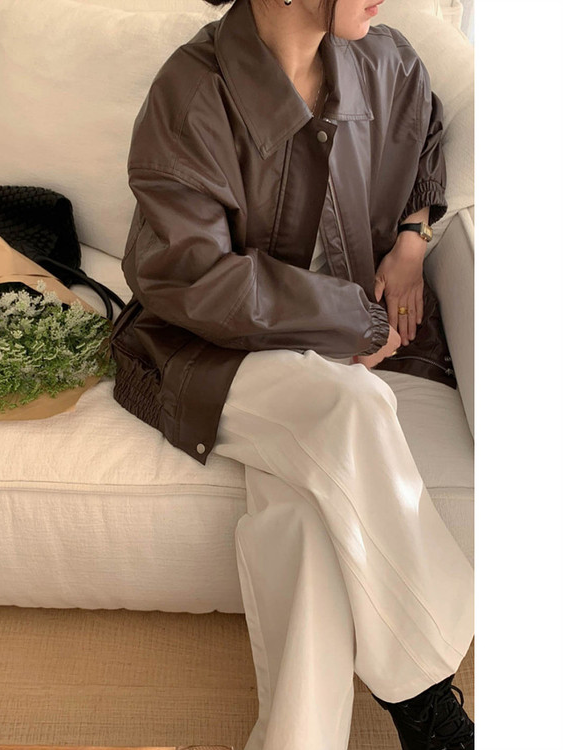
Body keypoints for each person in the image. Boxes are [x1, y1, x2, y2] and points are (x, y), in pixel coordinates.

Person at [109, 0, 474, 748]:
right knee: (351, 406)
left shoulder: (386, 61)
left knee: (305, 526)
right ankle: (427, 702)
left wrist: (412, 242)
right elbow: (189, 275)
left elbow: (426, 136)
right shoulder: (193, 91)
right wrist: (352, 319)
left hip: (329, 350)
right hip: (213, 349)